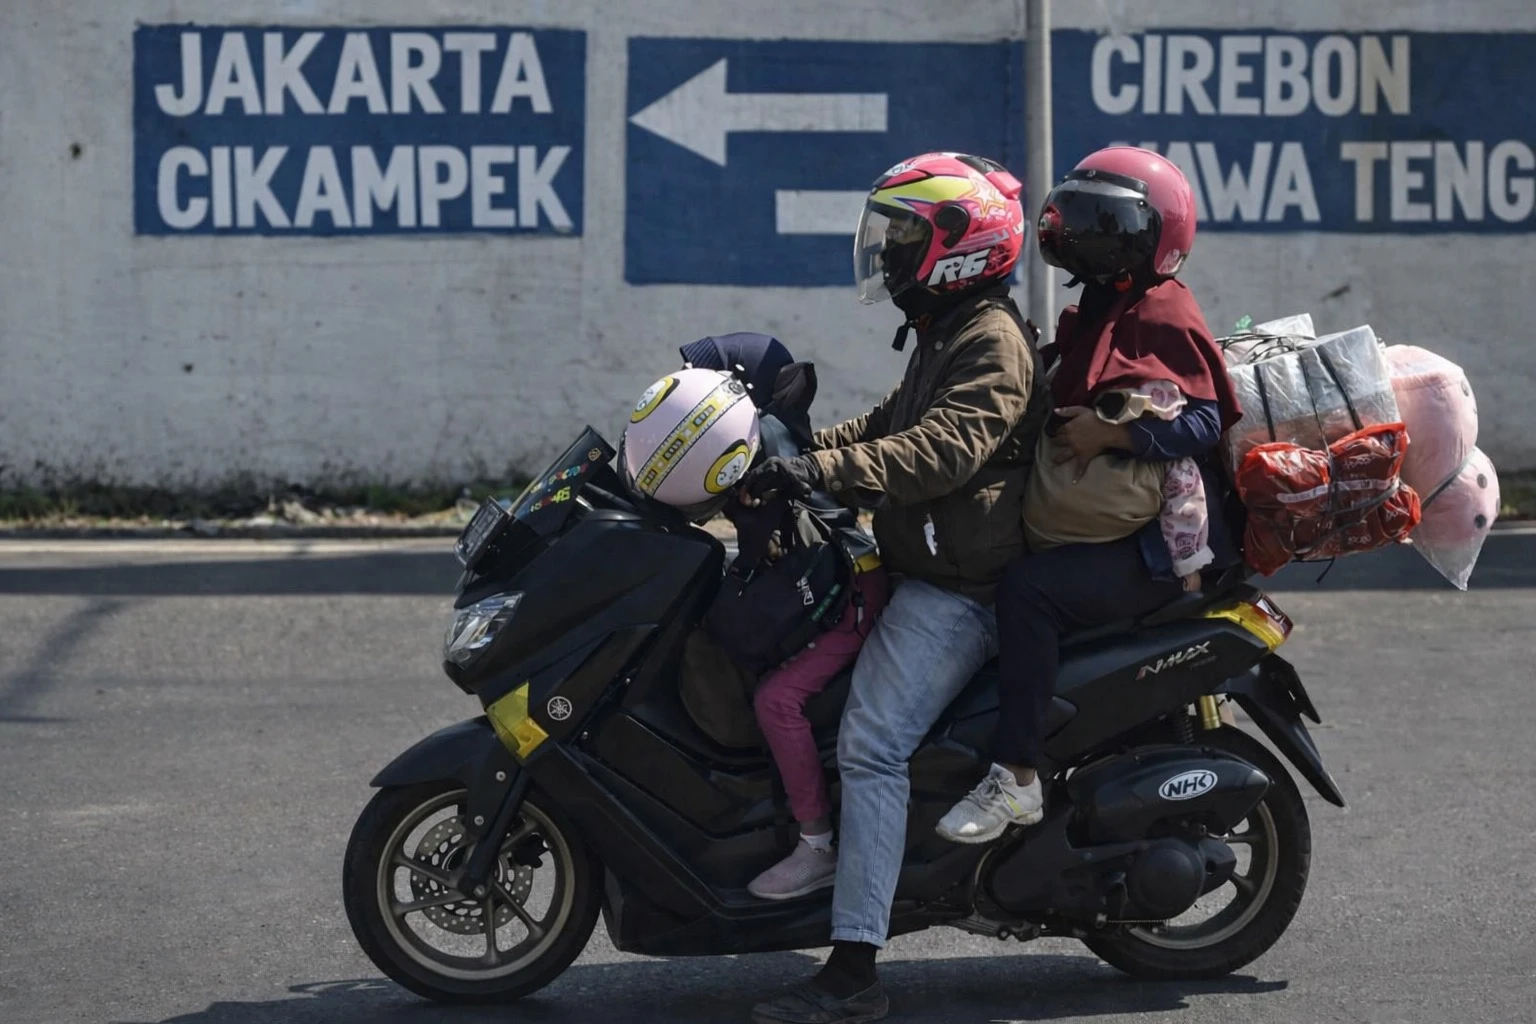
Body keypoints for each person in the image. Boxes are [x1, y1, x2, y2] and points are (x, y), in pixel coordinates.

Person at [741, 152, 1049, 1024]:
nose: (888, 253)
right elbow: (888, 424)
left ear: (960, 248)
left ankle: (853, 968)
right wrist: (784, 458)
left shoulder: (990, 339)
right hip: (922, 565)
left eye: (906, 236)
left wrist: (825, 472)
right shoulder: (945, 332)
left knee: (872, 742)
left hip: (965, 591)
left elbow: (943, 449)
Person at [935, 146, 1244, 845]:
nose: (1083, 236)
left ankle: (1016, 775)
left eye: (1105, 223)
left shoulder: (1162, 310)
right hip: (1107, 524)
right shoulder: (1107, 304)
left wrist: (1114, 438)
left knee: (1029, 592)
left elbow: (1203, 419)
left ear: (1150, 238)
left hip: (1158, 548)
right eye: (1078, 218)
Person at [676, 333, 892, 901]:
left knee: (777, 699)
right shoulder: (761, 428)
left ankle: (817, 844)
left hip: (850, 596)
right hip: (822, 583)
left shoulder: (760, 438)